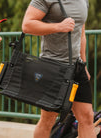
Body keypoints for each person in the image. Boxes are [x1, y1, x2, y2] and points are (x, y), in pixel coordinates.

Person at [22, 0, 96, 138]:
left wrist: (83, 63)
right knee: (48, 119)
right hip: (53, 66)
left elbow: (81, 32)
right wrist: (58, 27)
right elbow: (27, 25)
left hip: (77, 67)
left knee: (87, 118)